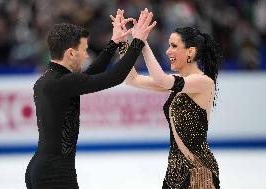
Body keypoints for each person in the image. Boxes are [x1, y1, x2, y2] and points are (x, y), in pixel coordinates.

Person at [25, 9, 156, 189]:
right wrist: (137, 42)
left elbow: (89, 76)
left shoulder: (48, 81)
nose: (87, 55)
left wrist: (114, 43)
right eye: (84, 50)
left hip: (42, 168)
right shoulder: (62, 83)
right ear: (70, 53)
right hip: (55, 173)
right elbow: (114, 78)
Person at [124, 25, 222, 188]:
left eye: (174, 46)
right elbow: (132, 79)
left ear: (190, 52)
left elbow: (162, 79)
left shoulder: (204, 82)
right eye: (169, 45)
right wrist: (123, 43)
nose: (168, 51)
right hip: (174, 173)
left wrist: (144, 44)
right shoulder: (178, 83)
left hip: (199, 173)